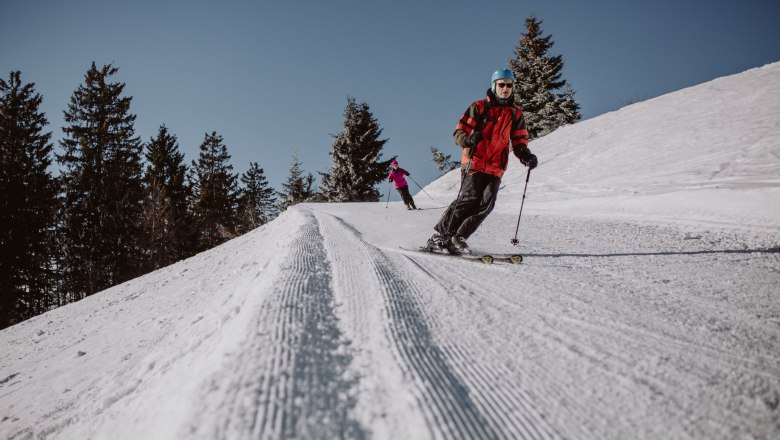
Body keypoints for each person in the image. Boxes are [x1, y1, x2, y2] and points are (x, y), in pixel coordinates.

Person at [426, 68, 537, 254]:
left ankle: (458, 237)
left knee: (486, 204)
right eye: (501, 85)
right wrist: (467, 139)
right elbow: (459, 131)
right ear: (494, 86)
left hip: (496, 167)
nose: (505, 89)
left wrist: (526, 155)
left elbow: (519, 142)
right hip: (474, 161)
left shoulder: (516, 114)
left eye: (509, 85)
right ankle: (438, 237)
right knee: (468, 199)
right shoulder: (479, 107)